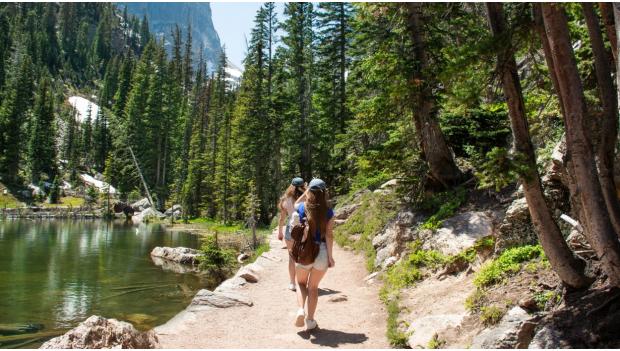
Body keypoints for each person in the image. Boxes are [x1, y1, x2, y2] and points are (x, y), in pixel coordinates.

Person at [293, 178, 335, 331]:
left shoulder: (302, 208)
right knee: (313, 288)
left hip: (305, 251)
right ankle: (310, 320)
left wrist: (306, 191)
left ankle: (300, 310)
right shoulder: (329, 212)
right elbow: (329, 235)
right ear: (324, 193)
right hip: (322, 251)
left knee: (301, 283)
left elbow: (294, 204)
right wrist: (330, 257)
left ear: (310, 192)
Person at [278, 177, 306, 291]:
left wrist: (280, 232)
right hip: (304, 228)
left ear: (291, 185)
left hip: (290, 228)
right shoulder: (307, 198)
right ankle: (303, 282)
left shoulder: (286, 199)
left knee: (291, 257)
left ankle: (292, 283)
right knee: (304, 256)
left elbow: (282, 218)